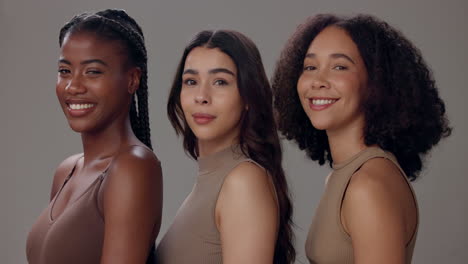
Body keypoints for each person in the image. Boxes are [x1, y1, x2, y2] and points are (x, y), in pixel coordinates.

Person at [272, 14, 451, 264]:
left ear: (375, 82)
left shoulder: (366, 186)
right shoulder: (348, 175)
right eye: (310, 67)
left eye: (340, 67)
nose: (318, 81)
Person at [26, 9, 162, 264]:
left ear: (132, 79)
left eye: (93, 72)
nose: (73, 86)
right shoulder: (67, 171)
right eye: (65, 71)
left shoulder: (133, 166)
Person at [156, 30, 295, 264]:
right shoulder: (215, 178)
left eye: (220, 82)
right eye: (191, 81)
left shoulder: (243, 181)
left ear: (249, 97)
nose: (201, 96)